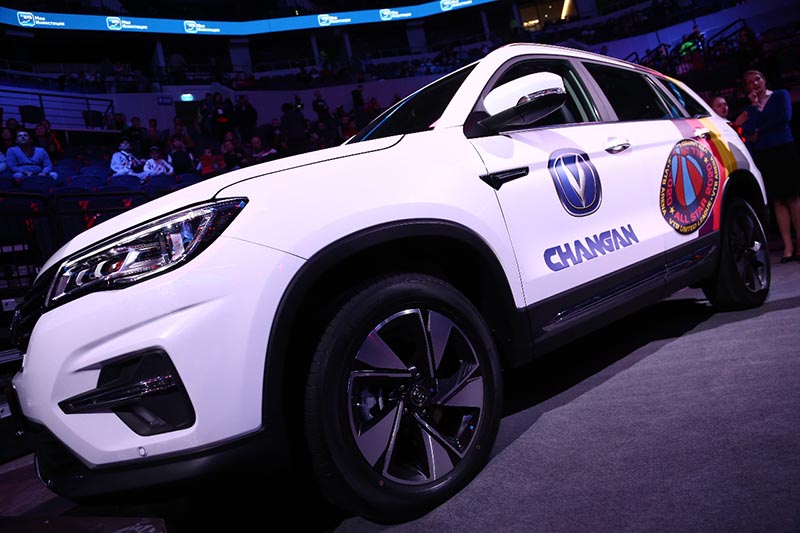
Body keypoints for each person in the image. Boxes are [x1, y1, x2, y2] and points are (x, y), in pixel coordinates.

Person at [738, 69, 800, 262]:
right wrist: (755, 107)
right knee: (778, 200)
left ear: (764, 80)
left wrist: (760, 129)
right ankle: (788, 247)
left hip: (784, 148)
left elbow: (784, 118)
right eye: (750, 82)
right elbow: (749, 131)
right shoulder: (750, 109)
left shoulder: (780, 95)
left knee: (792, 197)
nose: (755, 83)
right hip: (765, 153)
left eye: (757, 79)